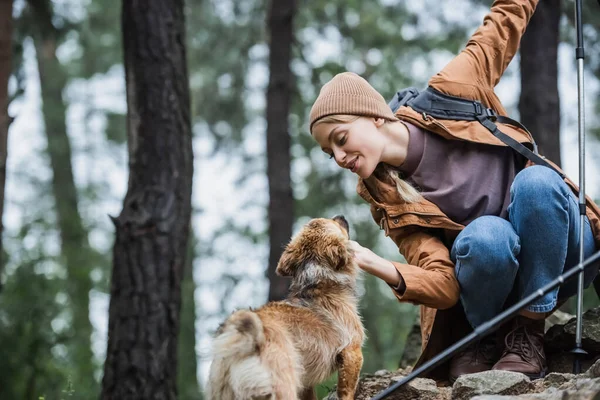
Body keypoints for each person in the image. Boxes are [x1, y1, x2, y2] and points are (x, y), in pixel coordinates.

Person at [308, 0, 600, 383]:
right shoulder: (386, 195)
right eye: (331, 153)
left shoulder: (454, 90)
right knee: (485, 236)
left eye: (341, 139)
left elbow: (505, 20)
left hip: (566, 253)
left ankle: (528, 333)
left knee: (538, 182)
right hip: (491, 284)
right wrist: (377, 264)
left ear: (374, 114)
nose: (341, 156)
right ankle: (484, 336)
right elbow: (443, 283)